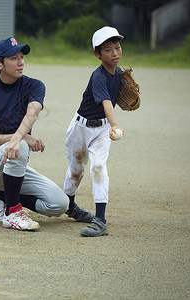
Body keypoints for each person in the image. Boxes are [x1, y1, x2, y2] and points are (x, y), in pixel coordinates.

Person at [0, 37, 94, 231]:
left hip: (13, 164)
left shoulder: (34, 86)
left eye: (21, 57)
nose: (20, 62)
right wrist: (22, 138)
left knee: (59, 204)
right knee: (22, 146)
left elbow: (33, 111)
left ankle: (0, 196)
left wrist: (18, 139)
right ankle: (12, 213)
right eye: (13, 58)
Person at [63, 26, 125, 237]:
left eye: (117, 47)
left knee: (98, 167)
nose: (115, 53)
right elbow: (107, 102)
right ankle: (70, 206)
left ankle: (100, 220)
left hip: (102, 130)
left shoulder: (120, 74)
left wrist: (110, 125)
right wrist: (115, 123)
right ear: (97, 54)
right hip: (80, 128)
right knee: (76, 169)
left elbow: (118, 98)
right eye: (108, 50)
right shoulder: (98, 76)